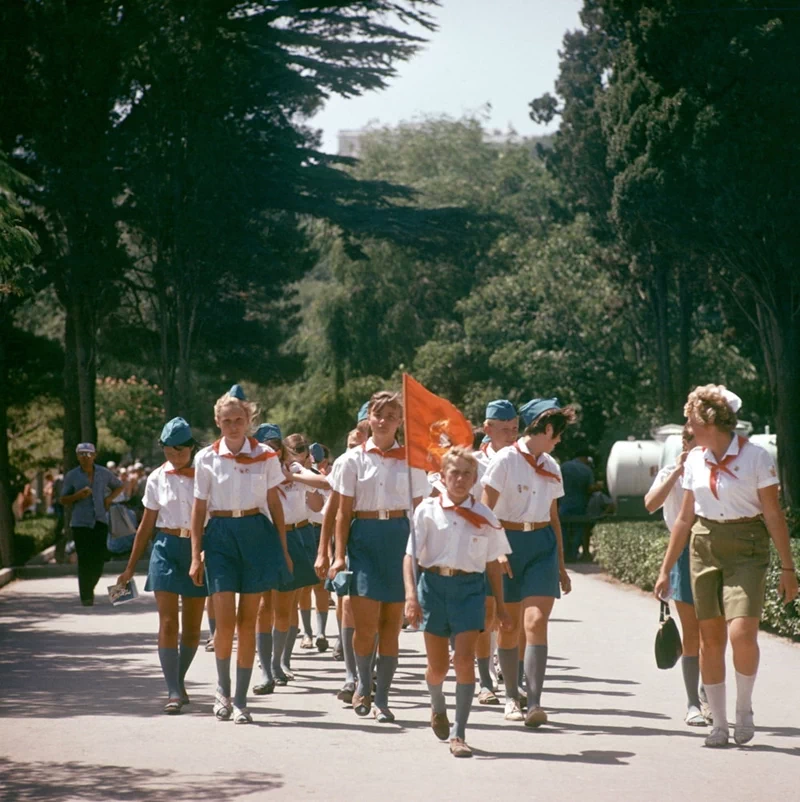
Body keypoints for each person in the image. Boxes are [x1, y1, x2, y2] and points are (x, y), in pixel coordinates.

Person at [655, 385, 799, 748]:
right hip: (704, 546)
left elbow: (772, 513)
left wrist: (788, 568)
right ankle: (718, 723)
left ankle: (744, 709)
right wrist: (664, 570)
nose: (686, 425)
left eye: (691, 418)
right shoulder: (693, 460)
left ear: (710, 419)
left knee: (741, 634)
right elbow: (685, 520)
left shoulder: (756, 457)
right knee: (710, 639)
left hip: (747, 547)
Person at [189, 386, 292, 724]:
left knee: (249, 621)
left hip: (256, 534)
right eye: (227, 420)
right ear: (217, 422)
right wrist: (195, 554)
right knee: (224, 620)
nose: (234, 425)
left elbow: (275, 503)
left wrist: (284, 549)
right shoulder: (206, 457)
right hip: (219, 536)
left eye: (239, 419)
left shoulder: (265, 454)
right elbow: (199, 507)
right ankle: (222, 690)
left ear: (250, 420)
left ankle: (242, 700)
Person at [404, 446, 512, 757]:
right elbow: (410, 557)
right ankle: (437, 702)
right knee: (437, 668)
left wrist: (501, 608)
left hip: (469, 591)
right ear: (443, 476)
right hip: (434, 588)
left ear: (475, 478)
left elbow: (493, 563)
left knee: (464, 661)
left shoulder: (485, 516)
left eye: (467, 474)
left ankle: (459, 733)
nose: (460, 479)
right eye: (455, 473)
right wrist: (411, 596)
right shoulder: (426, 510)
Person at [330, 390, 429, 722]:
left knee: (391, 627)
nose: (383, 421)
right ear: (368, 419)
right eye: (378, 414)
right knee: (365, 624)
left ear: (400, 421)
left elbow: (420, 511)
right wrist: (338, 555)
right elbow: (342, 513)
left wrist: (422, 554)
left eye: (391, 415)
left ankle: (382, 698)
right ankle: (361, 681)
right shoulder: (351, 460)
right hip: (365, 540)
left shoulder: (414, 460)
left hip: (399, 539)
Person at [481, 398, 575, 727]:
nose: (559, 440)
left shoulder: (551, 465)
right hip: (506, 544)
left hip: (540, 547)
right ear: (547, 428)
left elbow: (553, 518)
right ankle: (510, 696)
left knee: (535, 622)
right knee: (508, 626)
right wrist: (496, 551)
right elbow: (485, 509)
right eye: (558, 433)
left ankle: (534, 701)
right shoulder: (505, 461)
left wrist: (561, 565)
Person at [116, 417, 207, 714]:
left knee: (193, 628)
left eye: (180, 451)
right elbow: (146, 525)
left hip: (198, 549)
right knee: (168, 622)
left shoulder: (205, 475)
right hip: (166, 549)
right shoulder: (156, 477)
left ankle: (178, 680)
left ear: (192, 449)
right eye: (168, 451)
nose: (174, 457)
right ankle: (172, 690)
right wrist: (130, 567)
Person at [645, 424, 707, 726]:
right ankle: (693, 703)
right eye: (690, 440)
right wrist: (676, 472)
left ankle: (709, 695)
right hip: (682, 552)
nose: (694, 445)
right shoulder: (671, 470)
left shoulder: (714, 470)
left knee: (714, 633)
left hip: (713, 549)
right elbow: (650, 504)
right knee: (692, 632)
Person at [473, 399, 519, 706]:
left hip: (516, 541)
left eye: (515, 428)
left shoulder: (522, 459)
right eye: (504, 430)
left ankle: (510, 669)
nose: (512, 435)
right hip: (481, 542)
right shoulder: (473, 461)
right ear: (487, 429)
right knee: (487, 613)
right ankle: (485, 679)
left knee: (511, 613)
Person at [60, 443, 124, 606]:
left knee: (99, 559)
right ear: (77, 456)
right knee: (84, 559)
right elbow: (63, 499)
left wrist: (109, 499)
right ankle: (86, 596)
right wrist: (78, 495)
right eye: (82, 454)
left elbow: (119, 486)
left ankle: (90, 586)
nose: (85, 457)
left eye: (89, 454)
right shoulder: (72, 476)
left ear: (95, 455)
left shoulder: (103, 473)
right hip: (80, 523)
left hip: (99, 520)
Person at [559, 449, 595, 562]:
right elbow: (590, 488)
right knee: (578, 528)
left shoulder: (564, 467)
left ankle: (564, 553)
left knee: (563, 529)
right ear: (584, 458)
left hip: (564, 503)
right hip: (580, 504)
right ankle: (573, 554)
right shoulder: (587, 470)